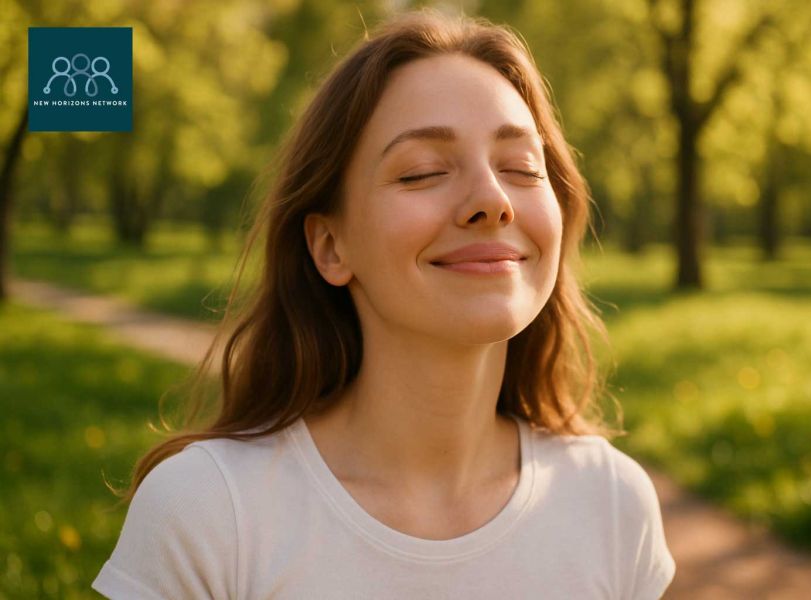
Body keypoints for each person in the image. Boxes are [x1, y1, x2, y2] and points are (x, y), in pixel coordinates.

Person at [92, 8, 675, 599]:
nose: (493, 200)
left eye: (523, 166)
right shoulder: (208, 513)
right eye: (422, 173)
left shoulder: (613, 505)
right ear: (330, 245)